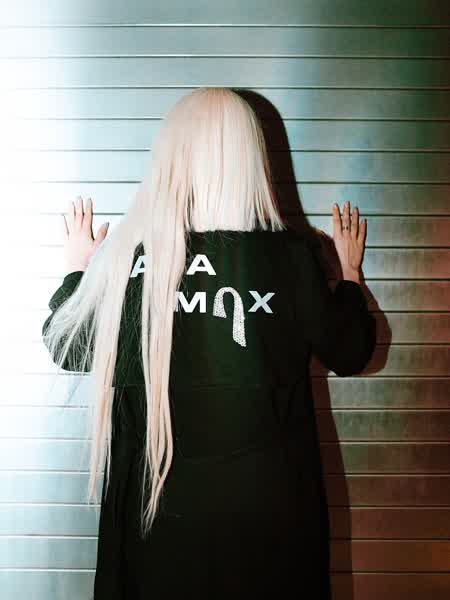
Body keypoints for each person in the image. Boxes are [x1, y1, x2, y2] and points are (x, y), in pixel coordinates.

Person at [42, 87, 376, 599]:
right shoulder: (290, 258)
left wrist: (78, 270)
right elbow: (350, 351)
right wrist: (350, 277)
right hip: (269, 540)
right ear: (250, 159)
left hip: (155, 541)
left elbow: (67, 346)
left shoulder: (129, 261)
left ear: (171, 158)